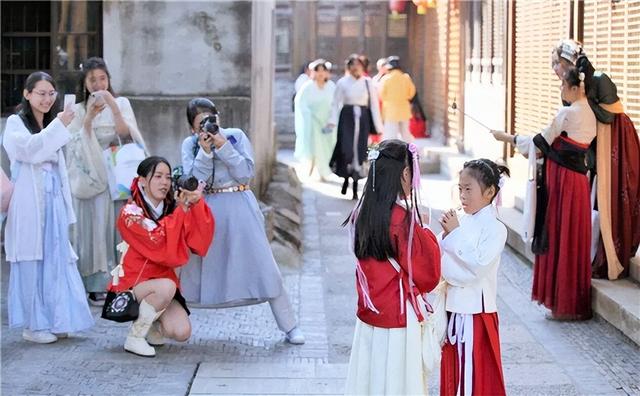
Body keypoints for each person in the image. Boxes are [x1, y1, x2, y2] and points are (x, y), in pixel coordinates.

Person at [178, 98, 305, 345]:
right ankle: (164, 320)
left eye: (210, 119)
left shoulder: (235, 136)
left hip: (239, 204)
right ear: (192, 129)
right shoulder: (190, 145)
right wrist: (204, 153)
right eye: (200, 124)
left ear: (218, 118)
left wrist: (223, 146)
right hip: (205, 210)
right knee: (192, 269)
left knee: (264, 265)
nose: (206, 126)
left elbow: (245, 172)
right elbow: (193, 182)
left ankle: (290, 326)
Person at [492, 65, 596, 320]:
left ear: (574, 88)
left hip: (562, 182)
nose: (561, 89)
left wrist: (507, 138)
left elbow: (540, 142)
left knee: (560, 234)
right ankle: (573, 303)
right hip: (579, 181)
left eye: (563, 85)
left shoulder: (568, 113)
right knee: (574, 237)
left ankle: (562, 304)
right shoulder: (591, 113)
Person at [2, 71, 94, 344]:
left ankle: (58, 319)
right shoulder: (16, 124)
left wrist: (58, 126)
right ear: (27, 94)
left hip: (51, 202)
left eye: (50, 94)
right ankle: (33, 324)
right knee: (32, 261)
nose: (46, 99)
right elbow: (30, 151)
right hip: (30, 203)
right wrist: (59, 126)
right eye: (40, 93)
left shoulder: (51, 124)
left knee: (56, 260)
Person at [344, 139, 441, 394]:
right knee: (398, 380)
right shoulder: (403, 220)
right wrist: (426, 232)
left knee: (369, 378)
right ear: (405, 173)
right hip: (399, 315)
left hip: (370, 310)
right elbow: (428, 275)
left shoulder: (360, 213)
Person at [551, 39, 639, 281]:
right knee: (596, 200)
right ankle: (594, 254)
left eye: (556, 64)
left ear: (566, 62)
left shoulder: (598, 79)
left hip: (616, 142)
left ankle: (612, 253)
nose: (555, 71)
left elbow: (610, 114)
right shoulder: (569, 88)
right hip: (594, 146)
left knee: (611, 197)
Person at [109, 156, 214, 357]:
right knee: (167, 286)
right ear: (142, 181)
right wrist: (181, 210)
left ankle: (152, 324)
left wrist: (196, 203)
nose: (164, 182)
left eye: (167, 177)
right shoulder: (130, 212)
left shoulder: (172, 208)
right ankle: (135, 336)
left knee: (182, 332)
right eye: (157, 176)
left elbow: (198, 241)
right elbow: (158, 243)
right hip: (133, 285)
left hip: (160, 287)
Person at [66, 57, 147, 306]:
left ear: (109, 79)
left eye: (102, 78)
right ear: (85, 82)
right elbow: (74, 144)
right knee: (94, 226)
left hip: (117, 173)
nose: (98, 83)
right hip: (93, 173)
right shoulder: (79, 109)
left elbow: (128, 135)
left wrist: (113, 107)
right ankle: (95, 284)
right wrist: (89, 118)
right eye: (92, 80)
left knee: (118, 226)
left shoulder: (121, 102)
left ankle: (122, 281)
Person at [438, 159, 509, 396]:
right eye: (460, 188)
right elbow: (444, 262)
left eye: (469, 189)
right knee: (456, 372)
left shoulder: (496, 228)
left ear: (489, 192)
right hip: (455, 307)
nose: (462, 195)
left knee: (473, 375)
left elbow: (477, 268)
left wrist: (455, 236)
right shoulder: (461, 219)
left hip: (475, 313)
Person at [328, 54, 384, 200]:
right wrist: (332, 121)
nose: (355, 68)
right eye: (352, 65)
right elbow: (335, 103)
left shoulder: (368, 83)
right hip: (347, 118)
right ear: (349, 67)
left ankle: (355, 184)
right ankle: (346, 178)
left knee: (359, 150)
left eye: (358, 65)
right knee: (346, 149)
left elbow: (374, 105)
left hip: (363, 119)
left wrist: (378, 126)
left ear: (362, 67)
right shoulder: (342, 82)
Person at [294, 59, 337, 181]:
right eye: (318, 71)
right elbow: (300, 103)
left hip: (328, 122)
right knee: (316, 147)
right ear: (313, 72)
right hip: (313, 123)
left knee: (328, 148)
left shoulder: (331, 86)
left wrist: (332, 120)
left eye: (323, 70)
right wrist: (309, 115)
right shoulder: (307, 87)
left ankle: (326, 170)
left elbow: (335, 104)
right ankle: (319, 172)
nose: (321, 73)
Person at [379, 56, 417, 142]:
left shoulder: (386, 79)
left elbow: (382, 95)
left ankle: (390, 154)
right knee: (406, 134)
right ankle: (410, 152)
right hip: (404, 110)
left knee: (390, 136)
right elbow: (411, 93)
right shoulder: (406, 78)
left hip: (390, 111)